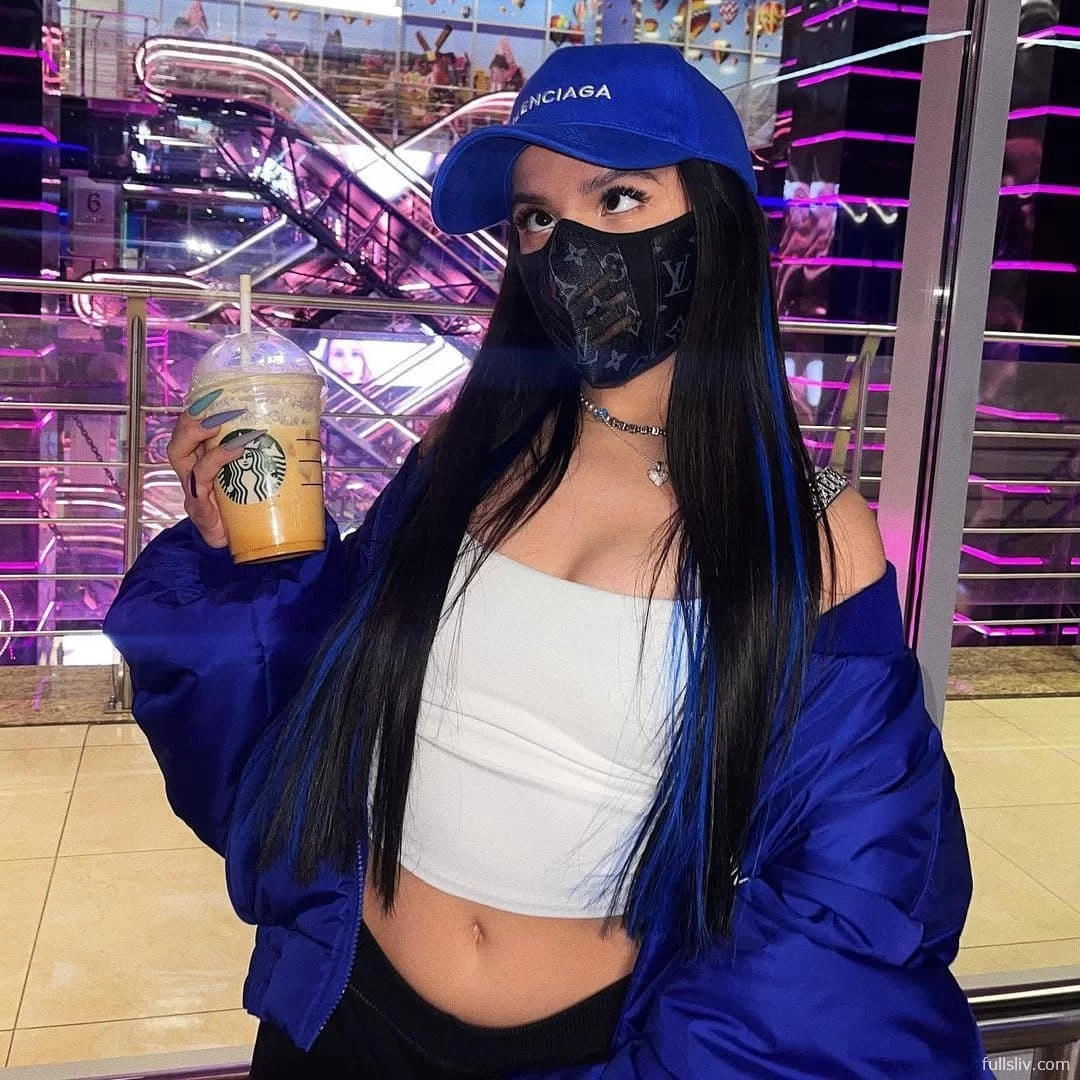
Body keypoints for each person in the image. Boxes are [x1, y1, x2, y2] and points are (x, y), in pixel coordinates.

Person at [105, 44, 994, 1079]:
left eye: (618, 198)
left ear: (717, 223)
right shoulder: (466, 451)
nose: (567, 248)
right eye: (535, 217)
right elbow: (302, 702)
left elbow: (857, 874)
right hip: (339, 1016)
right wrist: (240, 557)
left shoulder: (807, 526)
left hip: (596, 1052)